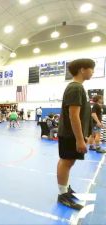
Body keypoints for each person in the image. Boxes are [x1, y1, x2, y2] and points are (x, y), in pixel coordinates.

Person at [57, 58, 95, 210]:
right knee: (66, 162)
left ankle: (65, 188)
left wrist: (86, 135)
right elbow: (74, 116)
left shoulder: (79, 88)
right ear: (82, 70)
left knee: (69, 162)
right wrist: (80, 140)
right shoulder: (75, 88)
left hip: (74, 134)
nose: (93, 72)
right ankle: (62, 195)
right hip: (69, 134)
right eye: (91, 69)